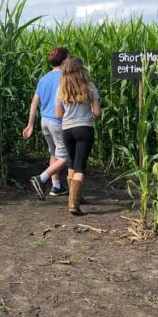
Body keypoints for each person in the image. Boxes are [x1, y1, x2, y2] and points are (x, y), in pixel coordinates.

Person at [55, 56, 100, 216]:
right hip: (84, 129)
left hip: (67, 130)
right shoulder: (90, 87)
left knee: (72, 164)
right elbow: (97, 113)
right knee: (80, 166)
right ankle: (73, 204)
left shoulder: (61, 89)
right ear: (81, 69)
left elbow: (58, 114)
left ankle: (76, 197)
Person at [23, 46, 70, 200]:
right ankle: (41, 178)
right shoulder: (66, 77)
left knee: (54, 153)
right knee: (65, 156)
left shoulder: (44, 78)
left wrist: (30, 124)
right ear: (64, 60)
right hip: (58, 121)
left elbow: (34, 102)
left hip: (45, 121)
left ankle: (56, 186)